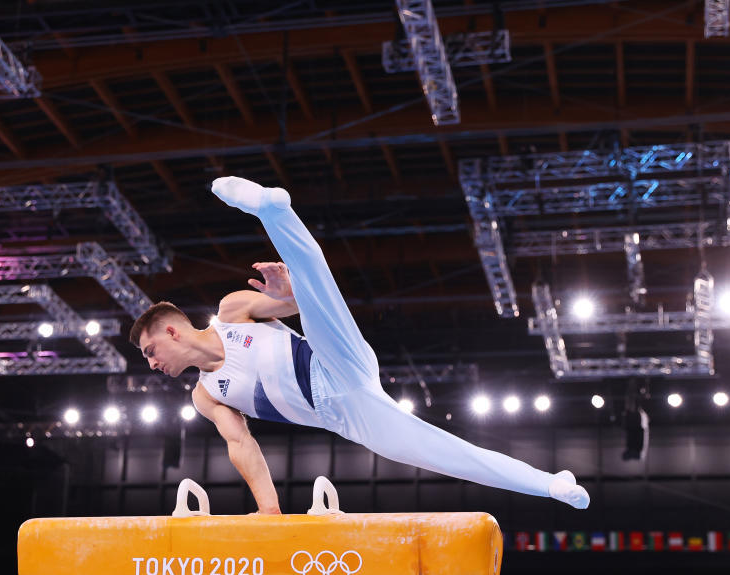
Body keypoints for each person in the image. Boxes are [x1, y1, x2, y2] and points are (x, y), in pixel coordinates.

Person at [129, 176, 590, 514]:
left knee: (315, 283)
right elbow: (241, 445)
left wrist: (287, 289)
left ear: (171, 331)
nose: (151, 363)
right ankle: (551, 484)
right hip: (344, 417)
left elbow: (296, 307)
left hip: (335, 363)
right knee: (446, 453)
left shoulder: (231, 312)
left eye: (149, 350)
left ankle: (272, 209)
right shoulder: (206, 395)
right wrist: (269, 510)